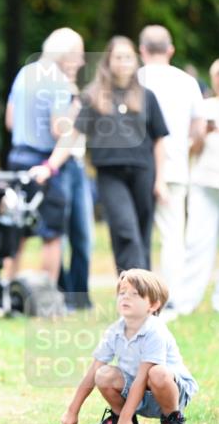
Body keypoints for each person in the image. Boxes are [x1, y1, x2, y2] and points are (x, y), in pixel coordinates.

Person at [33, 37, 169, 274]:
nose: (124, 62)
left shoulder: (147, 97)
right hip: (110, 174)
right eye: (118, 57)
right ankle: (133, 289)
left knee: (142, 235)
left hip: (144, 172)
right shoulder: (93, 97)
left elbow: (159, 141)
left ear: (135, 61)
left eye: (128, 57)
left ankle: (143, 300)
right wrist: (50, 166)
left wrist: (161, 180)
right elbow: (71, 135)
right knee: (126, 231)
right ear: (108, 61)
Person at [61, 269, 198, 424]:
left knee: (156, 372)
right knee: (102, 374)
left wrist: (126, 416)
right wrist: (72, 411)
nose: (126, 297)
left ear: (153, 305)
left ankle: (172, 419)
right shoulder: (115, 331)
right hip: (135, 390)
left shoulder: (155, 330)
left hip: (168, 391)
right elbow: (92, 371)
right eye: (122, 292)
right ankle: (124, 419)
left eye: (135, 294)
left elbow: (143, 377)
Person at [4, 28, 84, 284]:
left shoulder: (25, 73)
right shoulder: (60, 82)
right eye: (79, 54)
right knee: (51, 234)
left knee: (18, 229)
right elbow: (59, 130)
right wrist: (76, 112)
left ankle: (8, 287)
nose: (82, 61)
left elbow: (9, 120)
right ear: (67, 54)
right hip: (45, 163)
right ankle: (47, 295)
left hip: (17, 158)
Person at [138, 25, 205, 308]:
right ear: (171, 50)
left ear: (141, 50)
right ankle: (170, 298)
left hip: (139, 167)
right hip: (176, 166)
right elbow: (199, 129)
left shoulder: (134, 78)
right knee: (172, 236)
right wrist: (187, 149)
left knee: (140, 233)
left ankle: (138, 292)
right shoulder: (187, 82)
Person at [173, 58, 219, 317]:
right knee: (198, 243)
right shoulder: (205, 107)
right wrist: (202, 136)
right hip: (204, 182)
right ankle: (186, 301)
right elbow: (190, 146)